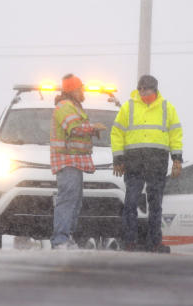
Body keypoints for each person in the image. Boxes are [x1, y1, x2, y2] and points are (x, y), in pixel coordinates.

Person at [110, 74, 183, 252]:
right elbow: (117, 133)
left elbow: (175, 134)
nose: (143, 92)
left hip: (157, 162)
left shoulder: (167, 108)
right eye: (140, 88)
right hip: (134, 162)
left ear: (155, 89)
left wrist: (177, 158)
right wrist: (118, 158)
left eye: (146, 89)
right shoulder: (128, 107)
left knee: (155, 204)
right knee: (131, 202)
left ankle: (154, 242)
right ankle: (130, 242)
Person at [50, 74, 107, 249]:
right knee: (68, 200)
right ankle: (60, 239)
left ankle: (67, 238)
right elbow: (73, 128)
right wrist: (92, 128)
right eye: (80, 88)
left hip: (74, 162)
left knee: (74, 201)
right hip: (67, 161)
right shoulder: (65, 107)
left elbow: (76, 129)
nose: (83, 91)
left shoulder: (73, 107)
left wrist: (90, 130)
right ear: (72, 90)